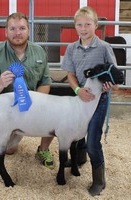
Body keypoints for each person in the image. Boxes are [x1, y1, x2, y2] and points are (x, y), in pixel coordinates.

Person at [0, 12, 55, 170]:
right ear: (6, 31)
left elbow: (45, 82)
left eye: (22, 28)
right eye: (12, 28)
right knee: (9, 150)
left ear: (28, 30)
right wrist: (0, 83)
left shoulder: (39, 51)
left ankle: (43, 149)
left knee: (54, 114)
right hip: (6, 110)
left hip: (32, 104)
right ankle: (6, 135)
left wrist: (39, 103)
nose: (17, 33)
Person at [61, 6, 118, 196]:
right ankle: (80, 158)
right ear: (75, 26)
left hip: (98, 100)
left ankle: (99, 181)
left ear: (96, 25)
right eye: (79, 25)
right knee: (76, 132)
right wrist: (78, 90)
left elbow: (113, 74)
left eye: (88, 24)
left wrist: (110, 84)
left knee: (93, 140)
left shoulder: (104, 47)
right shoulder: (71, 48)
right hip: (78, 98)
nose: (83, 28)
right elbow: (70, 75)